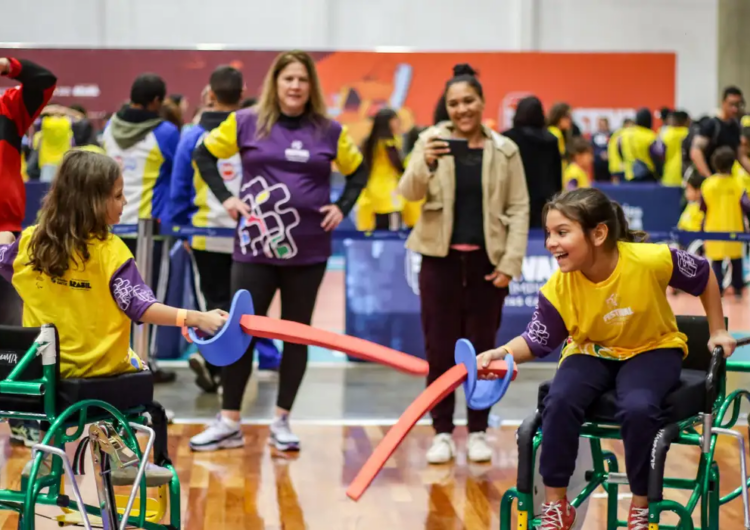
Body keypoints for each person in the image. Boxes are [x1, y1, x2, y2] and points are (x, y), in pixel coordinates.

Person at [477, 187, 735, 530]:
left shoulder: (648, 260)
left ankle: (642, 505)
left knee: (639, 408)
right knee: (559, 400)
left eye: (562, 233)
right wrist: (503, 354)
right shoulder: (559, 286)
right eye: (550, 233)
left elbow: (704, 275)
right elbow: (539, 338)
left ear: (598, 233)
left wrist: (717, 330)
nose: (551, 243)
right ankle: (557, 506)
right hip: (590, 351)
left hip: (652, 349)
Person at [0, 149, 227, 480]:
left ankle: (49, 448)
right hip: (95, 374)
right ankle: (121, 455)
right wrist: (198, 318)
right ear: (93, 202)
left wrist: (7, 236)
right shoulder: (111, 252)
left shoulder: (32, 243)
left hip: (40, 375)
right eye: (118, 196)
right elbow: (142, 308)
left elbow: (6, 260)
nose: (124, 204)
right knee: (133, 363)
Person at [189, 50, 368, 452]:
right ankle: (229, 421)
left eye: (302, 79)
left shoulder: (330, 130)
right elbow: (203, 154)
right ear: (276, 83)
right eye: (288, 78)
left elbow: (358, 171)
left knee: (297, 336)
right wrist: (227, 200)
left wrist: (344, 206)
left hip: (308, 251)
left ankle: (283, 420)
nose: (295, 86)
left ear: (311, 87)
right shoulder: (245, 122)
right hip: (253, 248)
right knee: (240, 331)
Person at [398, 63, 529, 464]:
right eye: (454, 103)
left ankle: (477, 431)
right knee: (438, 351)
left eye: (468, 100)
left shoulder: (505, 150)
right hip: (440, 264)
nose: (461, 109)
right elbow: (408, 191)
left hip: (488, 268)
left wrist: (510, 261)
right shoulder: (429, 141)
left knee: (484, 353)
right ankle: (440, 432)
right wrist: (426, 161)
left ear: (482, 102)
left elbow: (520, 206)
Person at [102, 73, 180, 383]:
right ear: (158, 102)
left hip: (111, 225)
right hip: (149, 227)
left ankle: (117, 358)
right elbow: (180, 172)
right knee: (149, 296)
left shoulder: (109, 126)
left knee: (112, 297)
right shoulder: (166, 132)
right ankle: (147, 362)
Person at [0, 56, 57, 447]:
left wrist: (7, 63)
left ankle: (21, 417)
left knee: (13, 335)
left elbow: (44, 79)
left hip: (5, 239)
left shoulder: (8, 108)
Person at [502, 96, 562, 229]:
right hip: (545, 200)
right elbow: (557, 173)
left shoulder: (507, 138)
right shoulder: (551, 139)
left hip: (515, 199)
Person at [700, 146, 750, 298]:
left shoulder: (707, 184)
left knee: (716, 261)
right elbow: (746, 205)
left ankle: (718, 290)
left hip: (713, 228)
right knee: (736, 260)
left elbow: (703, 206)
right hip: (734, 227)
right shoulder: (738, 184)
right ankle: (737, 289)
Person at [355, 107, 405, 231]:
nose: (399, 124)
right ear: (389, 122)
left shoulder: (368, 142)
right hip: (388, 192)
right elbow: (398, 166)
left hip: (371, 191)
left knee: (376, 230)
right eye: (396, 120)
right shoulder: (389, 143)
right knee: (392, 232)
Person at [691, 86, 750, 179]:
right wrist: (709, 177)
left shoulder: (735, 127)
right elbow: (695, 152)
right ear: (723, 103)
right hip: (707, 182)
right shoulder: (711, 125)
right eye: (731, 104)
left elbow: (741, 156)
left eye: (738, 105)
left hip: (725, 181)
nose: (735, 109)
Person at [617, 108, 664, 182]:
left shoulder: (624, 134)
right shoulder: (650, 135)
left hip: (628, 175)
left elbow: (619, 150)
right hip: (647, 176)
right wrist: (659, 173)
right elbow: (656, 156)